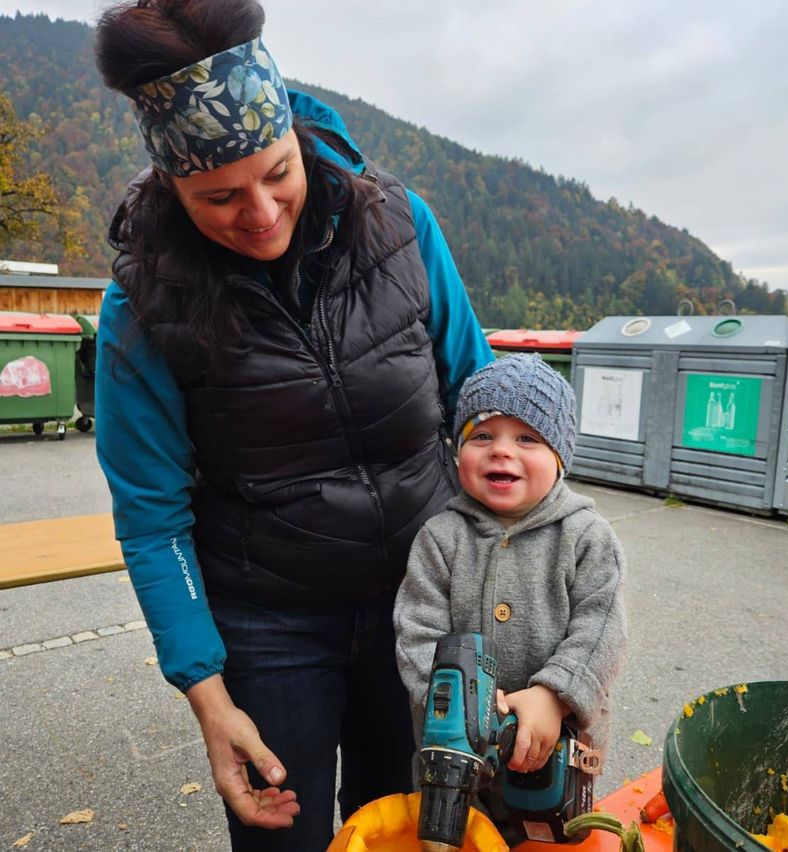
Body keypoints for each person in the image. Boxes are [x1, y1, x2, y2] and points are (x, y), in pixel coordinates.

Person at [92, 1, 493, 849]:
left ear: (296, 137)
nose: (261, 212)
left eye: (277, 172)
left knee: (412, 827)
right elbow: (152, 514)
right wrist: (208, 696)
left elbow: (479, 399)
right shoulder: (141, 302)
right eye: (219, 196)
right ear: (172, 182)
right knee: (285, 834)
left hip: (418, 601)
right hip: (268, 622)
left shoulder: (400, 225)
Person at [393, 354, 627, 836]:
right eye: (482, 436)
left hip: (556, 764)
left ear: (560, 456)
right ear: (458, 451)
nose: (502, 451)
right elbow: (416, 632)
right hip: (458, 770)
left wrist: (555, 695)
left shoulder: (587, 536)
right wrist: (463, 711)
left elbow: (602, 628)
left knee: (551, 842)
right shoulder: (440, 538)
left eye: (527, 438)